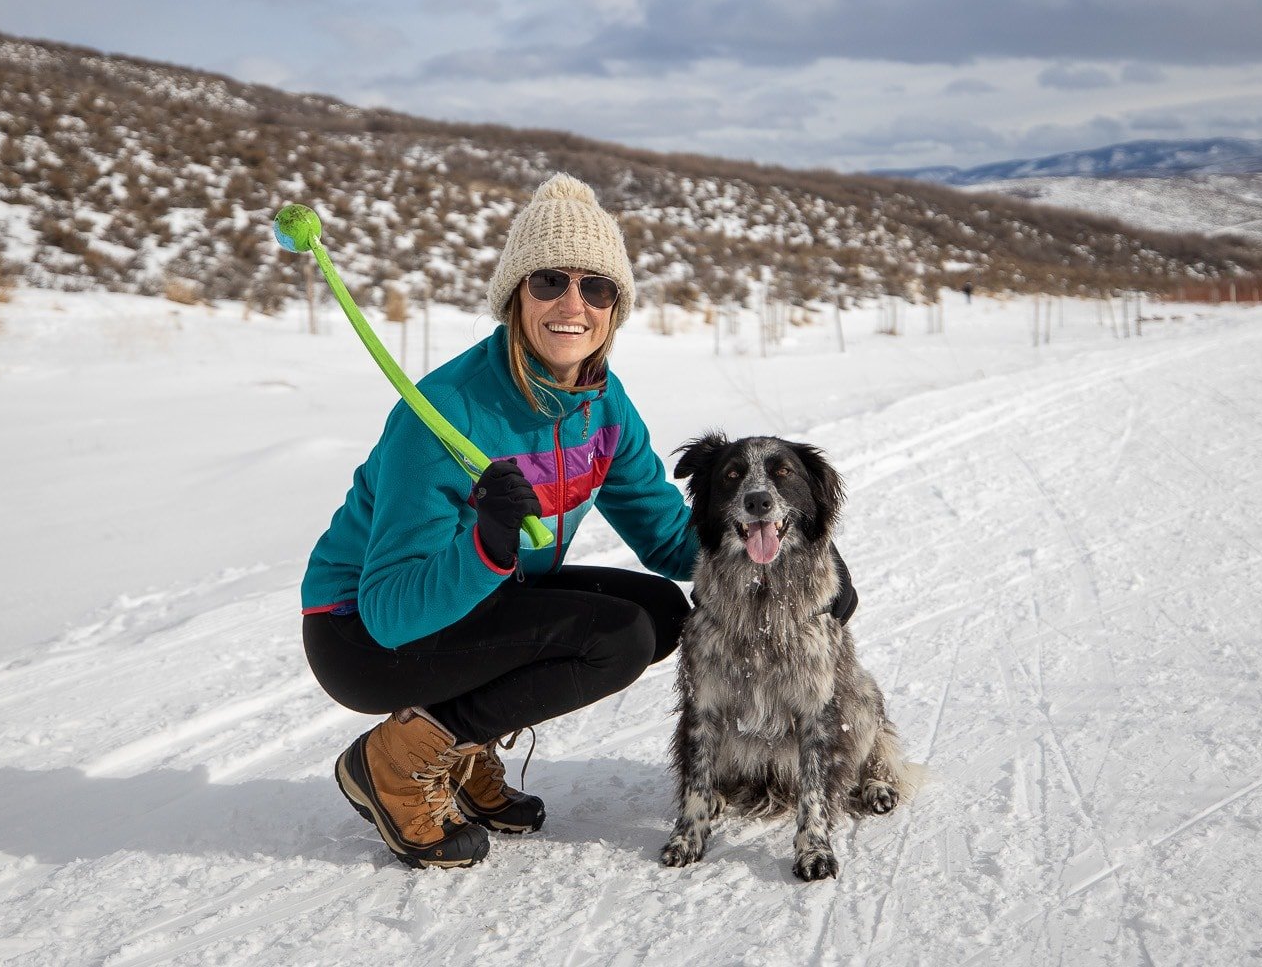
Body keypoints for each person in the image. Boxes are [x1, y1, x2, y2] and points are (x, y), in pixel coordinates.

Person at [300, 173, 854, 870]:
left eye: (597, 288)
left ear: (615, 308)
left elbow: (665, 535)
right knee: (614, 638)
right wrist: (486, 543)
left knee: (659, 609)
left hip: (477, 602)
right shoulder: (441, 414)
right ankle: (398, 761)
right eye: (549, 282)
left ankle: (460, 753)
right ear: (514, 296)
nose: (573, 304)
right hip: (361, 635)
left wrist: (791, 559)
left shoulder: (601, 404)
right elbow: (388, 612)